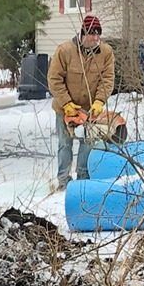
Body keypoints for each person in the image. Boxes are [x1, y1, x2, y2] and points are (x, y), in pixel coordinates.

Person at [47, 14, 115, 190]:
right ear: (83, 34)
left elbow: (107, 80)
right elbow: (54, 79)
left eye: (98, 34)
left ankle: (83, 177)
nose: (95, 38)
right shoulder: (65, 51)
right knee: (65, 143)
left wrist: (100, 101)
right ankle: (63, 180)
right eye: (92, 34)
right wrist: (66, 103)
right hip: (66, 108)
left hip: (90, 109)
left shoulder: (106, 53)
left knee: (88, 143)